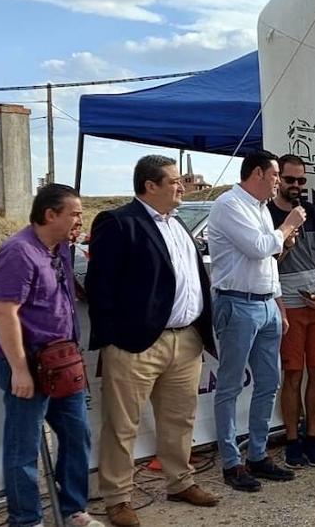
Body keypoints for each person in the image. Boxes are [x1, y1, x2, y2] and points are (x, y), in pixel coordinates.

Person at [87, 156, 219, 527]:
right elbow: (101, 287)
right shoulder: (119, 223)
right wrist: (115, 339)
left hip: (186, 339)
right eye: (175, 181)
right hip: (137, 345)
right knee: (123, 424)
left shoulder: (178, 224)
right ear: (150, 186)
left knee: (180, 418)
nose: (182, 186)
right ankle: (117, 498)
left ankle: (180, 481)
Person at [0, 185, 102, 527]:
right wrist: (20, 370)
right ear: (50, 214)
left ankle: (73, 510)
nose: (79, 221)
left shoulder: (62, 249)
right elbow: (6, 313)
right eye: (74, 213)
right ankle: (26, 520)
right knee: (23, 447)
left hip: (62, 361)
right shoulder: (18, 252)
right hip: (30, 362)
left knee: (76, 433)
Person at [207, 150, 306, 491]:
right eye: (276, 174)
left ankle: (258, 455)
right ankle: (231, 463)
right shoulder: (228, 205)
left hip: (264, 303)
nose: (279, 180)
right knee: (231, 386)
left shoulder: (260, 208)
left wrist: (278, 304)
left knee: (268, 382)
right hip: (237, 303)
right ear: (258, 174)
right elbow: (257, 247)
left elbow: (270, 261)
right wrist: (287, 226)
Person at [267, 155, 315, 469]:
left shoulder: (314, 212)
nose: (296, 186)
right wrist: (286, 244)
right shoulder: (266, 214)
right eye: (290, 179)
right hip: (287, 307)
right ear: (278, 179)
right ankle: (292, 440)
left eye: (301, 180)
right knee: (292, 375)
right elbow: (266, 264)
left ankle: (312, 437)